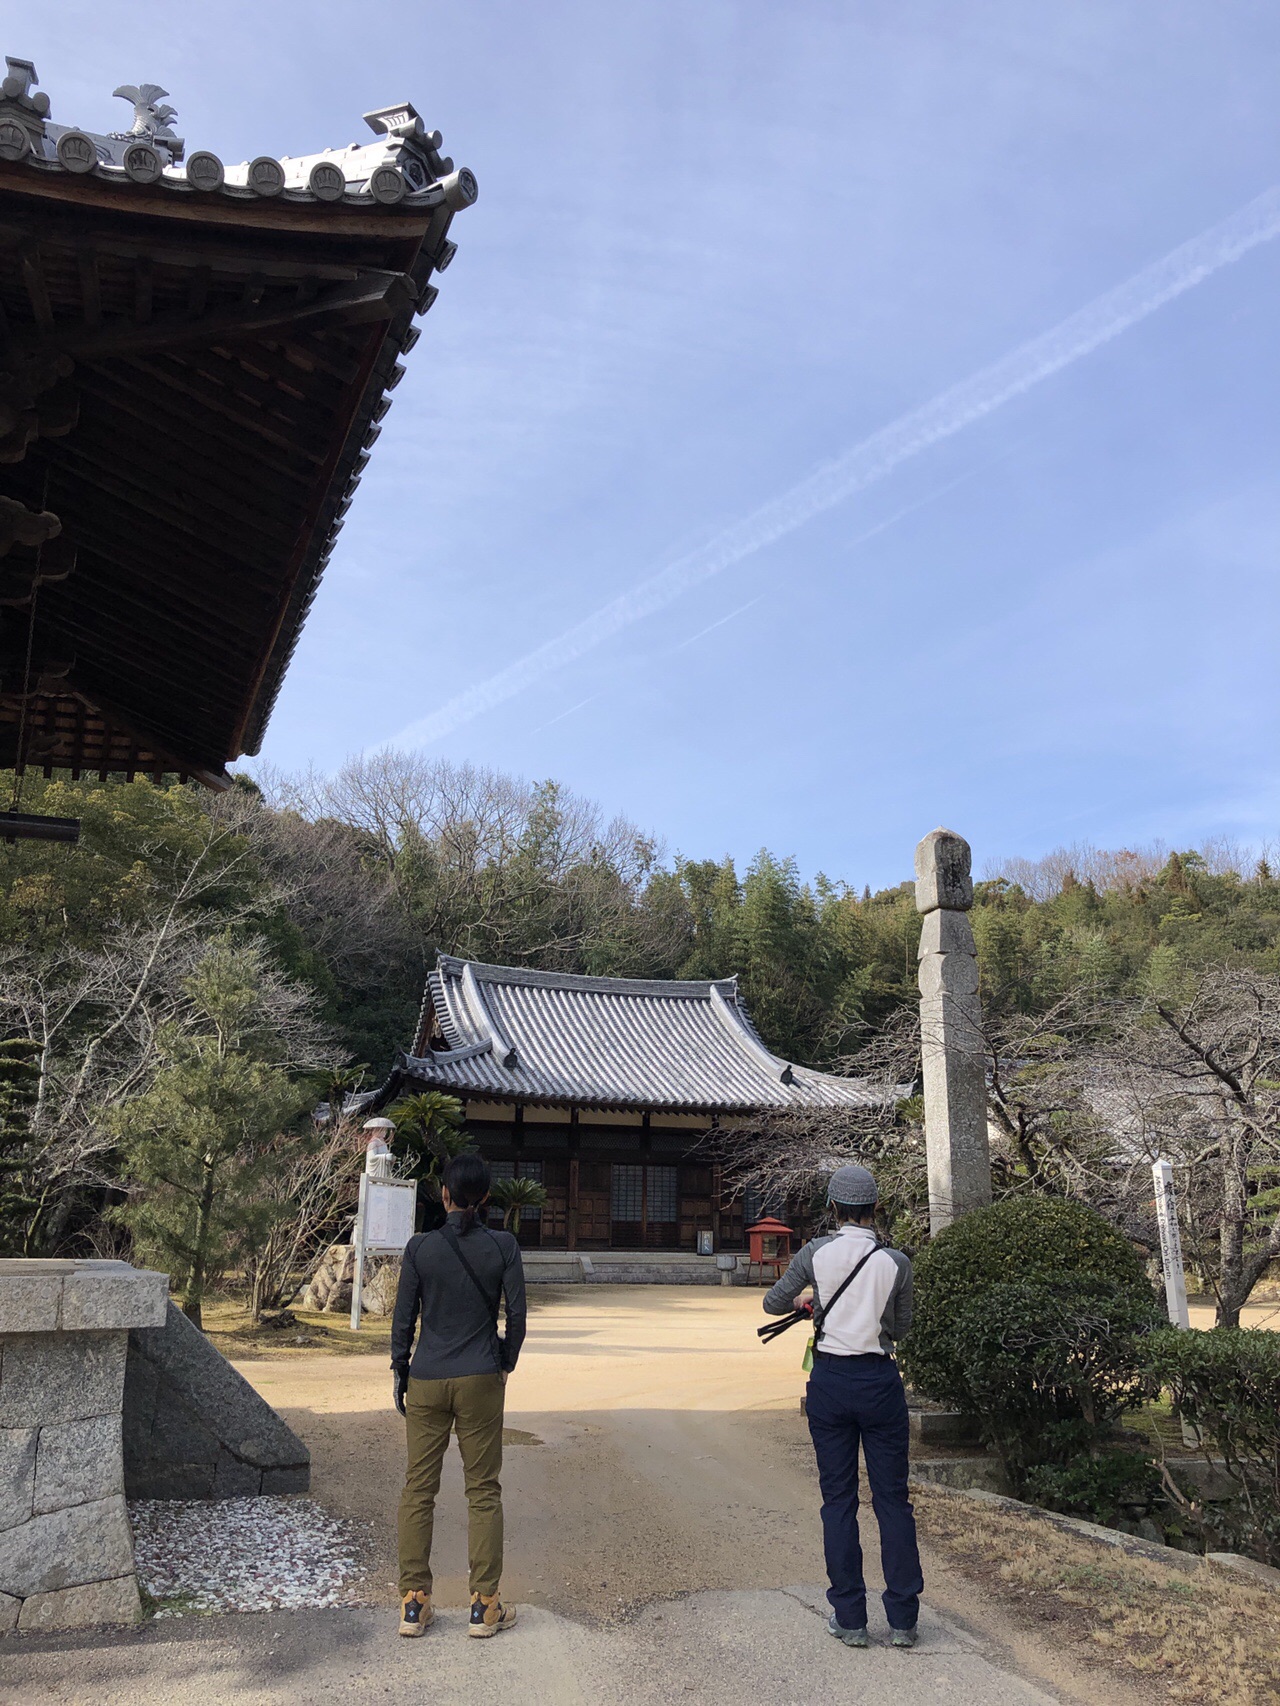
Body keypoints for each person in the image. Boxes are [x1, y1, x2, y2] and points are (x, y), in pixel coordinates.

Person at [762, 1163, 923, 1649]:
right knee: (892, 1500)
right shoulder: (896, 1262)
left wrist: (808, 1302)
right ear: (875, 1207)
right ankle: (903, 1619)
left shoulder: (816, 1252)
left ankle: (850, 1617)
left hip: (831, 1381)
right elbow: (902, 1329)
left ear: (833, 1207)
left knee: (839, 1500)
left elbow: (773, 1303)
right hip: (879, 1381)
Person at [390, 1152, 527, 1640]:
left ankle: (414, 1603)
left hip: (427, 1376)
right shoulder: (503, 1246)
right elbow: (517, 1317)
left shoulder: (420, 1248)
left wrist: (400, 1370)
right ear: (486, 1197)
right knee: (483, 1489)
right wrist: (504, 1362)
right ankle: (484, 1606)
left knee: (418, 1489)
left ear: (444, 1195)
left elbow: (403, 1318)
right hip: (480, 1376)